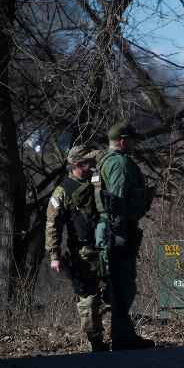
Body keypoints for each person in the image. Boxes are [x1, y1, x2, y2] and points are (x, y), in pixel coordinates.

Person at [93, 121, 156, 350]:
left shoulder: (103, 162)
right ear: (122, 141)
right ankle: (122, 336)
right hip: (118, 232)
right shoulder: (119, 164)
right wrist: (120, 234)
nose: (135, 144)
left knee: (117, 286)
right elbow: (117, 201)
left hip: (108, 231)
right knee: (123, 286)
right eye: (132, 140)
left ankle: (122, 333)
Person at [46, 145, 110, 352]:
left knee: (114, 290)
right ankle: (96, 341)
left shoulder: (97, 182)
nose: (90, 165)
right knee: (88, 297)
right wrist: (54, 255)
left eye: (91, 162)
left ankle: (120, 334)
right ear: (75, 165)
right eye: (85, 163)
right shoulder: (62, 191)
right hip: (83, 252)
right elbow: (52, 224)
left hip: (106, 247)